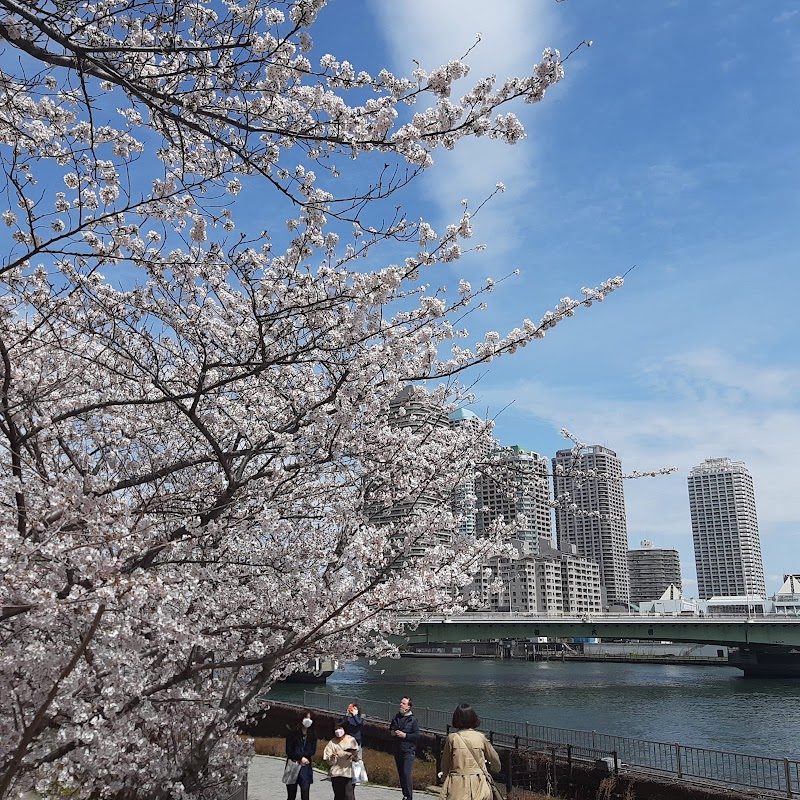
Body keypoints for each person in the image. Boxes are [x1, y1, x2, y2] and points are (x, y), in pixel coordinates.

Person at [439, 703, 500, 800]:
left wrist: (445, 776)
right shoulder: (481, 737)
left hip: (457, 784)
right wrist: (495, 769)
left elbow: (445, 763)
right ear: (473, 718)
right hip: (479, 783)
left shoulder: (452, 738)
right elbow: (495, 758)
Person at [389, 697, 419, 800]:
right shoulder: (396, 717)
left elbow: (416, 735)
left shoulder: (413, 720)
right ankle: (405, 795)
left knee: (407, 773)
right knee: (401, 773)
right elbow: (391, 728)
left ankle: (409, 796)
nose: (401, 705)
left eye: (403, 703)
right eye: (400, 702)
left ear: (408, 707)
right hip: (397, 749)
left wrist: (405, 735)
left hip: (408, 750)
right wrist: (393, 733)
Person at [285, 710, 318, 800]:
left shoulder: (313, 735)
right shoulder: (292, 733)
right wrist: (300, 757)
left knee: (305, 791)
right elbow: (289, 750)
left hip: (305, 766)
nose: (308, 720)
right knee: (291, 795)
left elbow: (312, 751)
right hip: (293, 764)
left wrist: (304, 758)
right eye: (306, 718)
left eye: (310, 718)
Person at [323, 724, 359, 800]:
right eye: (336, 729)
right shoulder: (332, 742)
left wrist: (353, 754)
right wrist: (332, 757)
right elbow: (328, 759)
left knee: (349, 795)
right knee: (338, 795)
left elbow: (357, 755)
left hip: (348, 772)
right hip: (336, 772)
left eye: (340, 728)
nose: (338, 731)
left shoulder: (351, 740)